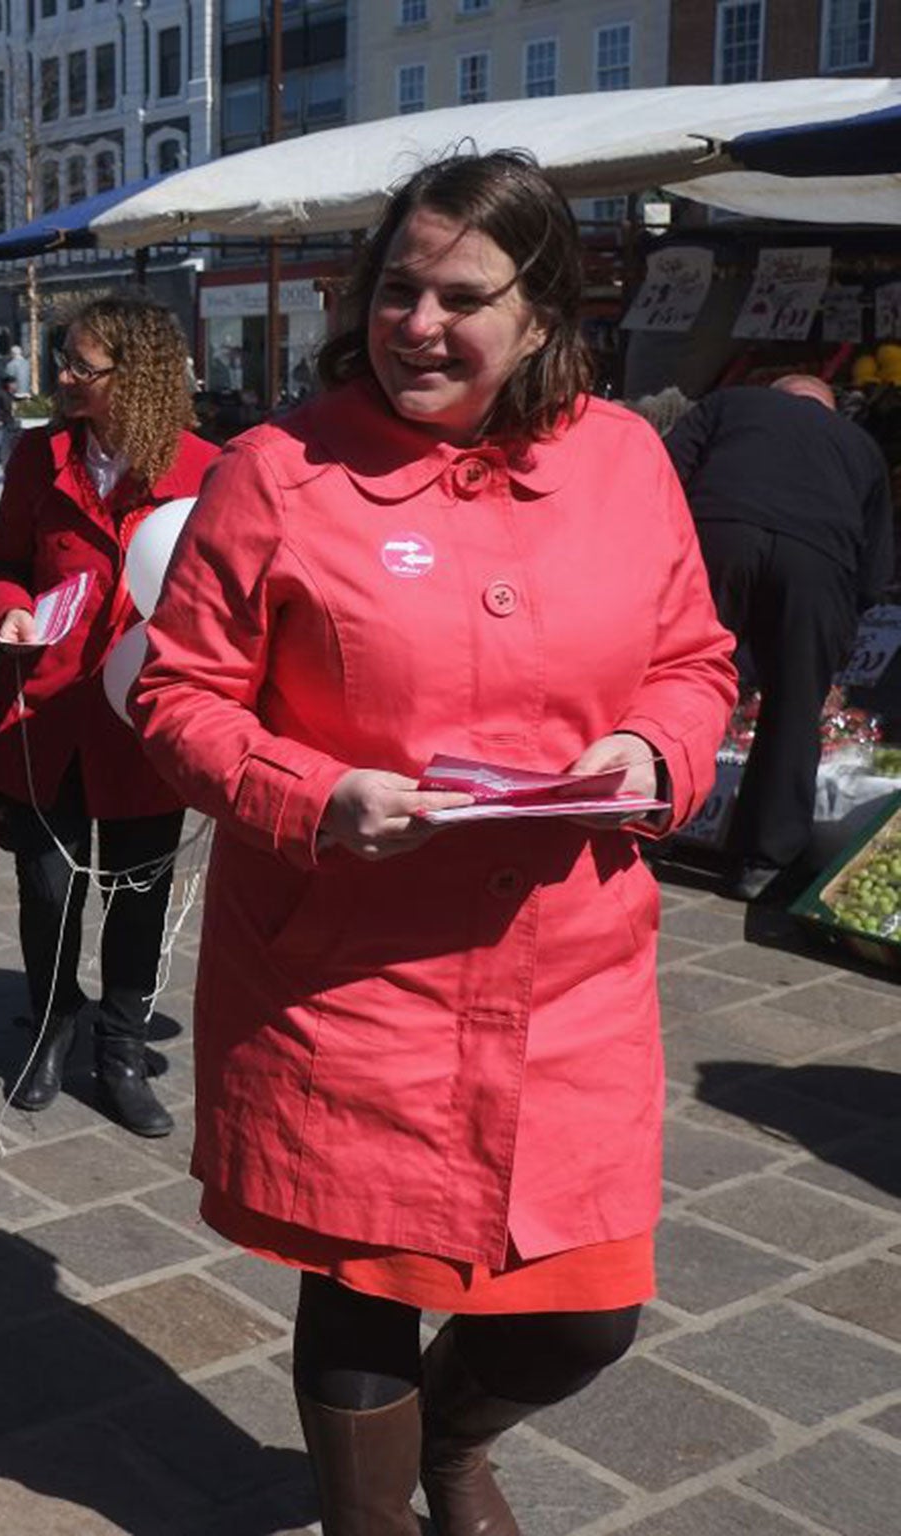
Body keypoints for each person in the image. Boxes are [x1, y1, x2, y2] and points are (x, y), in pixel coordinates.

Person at [129, 151, 737, 1536]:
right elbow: (178, 698)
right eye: (398, 287)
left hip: (568, 967)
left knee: (588, 1313)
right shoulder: (279, 470)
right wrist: (311, 793)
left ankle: (456, 1444)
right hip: (345, 971)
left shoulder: (626, 461)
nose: (419, 322)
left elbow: (695, 661)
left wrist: (652, 751)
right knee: (359, 1286)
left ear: (542, 315)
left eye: (462, 296)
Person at [0, 296, 220, 1139]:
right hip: (44, 708)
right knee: (46, 889)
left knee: (141, 895)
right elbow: (4, 560)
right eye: (64, 359)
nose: (63, 378)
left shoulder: (205, 471)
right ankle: (49, 1026)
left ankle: (118, 1047)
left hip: (147, 718)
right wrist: (8, 608)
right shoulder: (38, 457)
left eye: (82, 366)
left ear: (136, 376)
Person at [662, 376, 894, 900]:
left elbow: (662, 473)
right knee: (793, 709)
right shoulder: (861, 447)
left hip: (721, 530)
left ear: (776, 393)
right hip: (819, 562)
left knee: (680, 674)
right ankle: (764, 861)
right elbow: (875, 573)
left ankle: (651, 814)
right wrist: (825, 644)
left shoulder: (732, 402)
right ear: (831, 410)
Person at [0, 376, 21, 466]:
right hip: (2, 422)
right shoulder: (0, 394)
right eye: (13, 383)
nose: (15, 385)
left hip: (10, 421)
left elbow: (15, 400)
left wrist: (26, 398)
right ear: (8, 384)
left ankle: (5, 458)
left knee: (8, 441)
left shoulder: (10, 394)